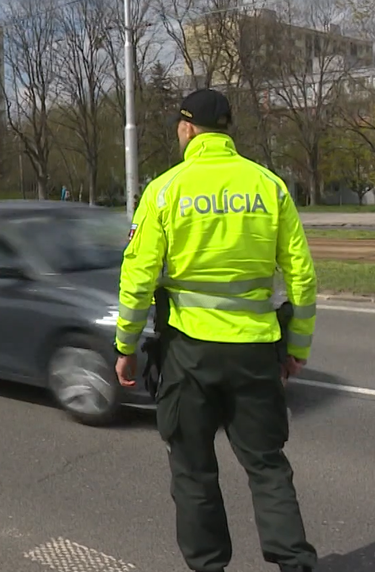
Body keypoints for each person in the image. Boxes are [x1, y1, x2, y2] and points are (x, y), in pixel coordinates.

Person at [114, 88, 318, 572]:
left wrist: (125, 346)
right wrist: (298, 347)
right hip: (256, 351)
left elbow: (138, 278)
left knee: (193, 471)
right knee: (268, 466)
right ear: (226, 130)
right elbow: (302, 278)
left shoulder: (164, 190)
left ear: (187, 129)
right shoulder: (268, 186)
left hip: (190, 355)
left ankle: (208, 567)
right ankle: (296, 564)